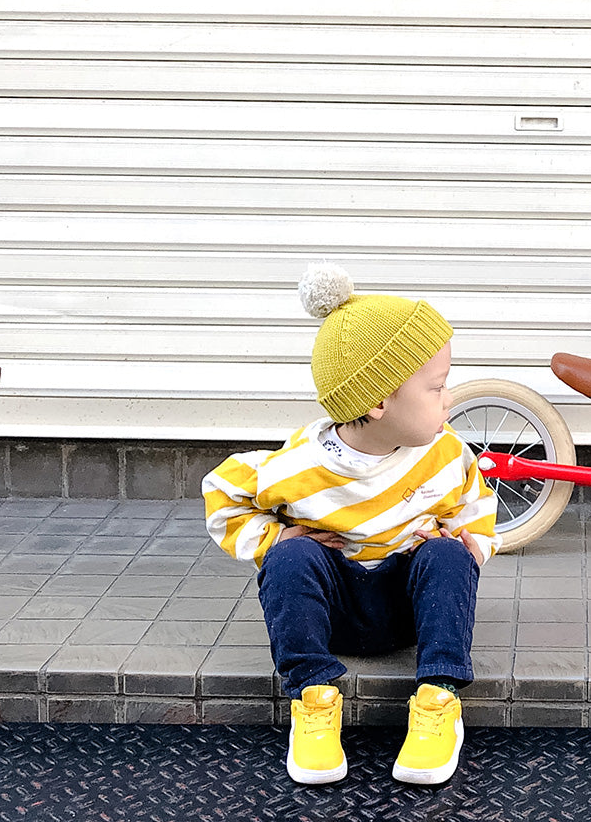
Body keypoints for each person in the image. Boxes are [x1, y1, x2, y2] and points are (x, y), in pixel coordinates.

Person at [201, 262, 498, 787]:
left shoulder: (446, 454)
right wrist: (274, 538)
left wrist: (471, 548)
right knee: (290, 557)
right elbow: (221, 492)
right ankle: (313, 699)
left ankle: (439, 699)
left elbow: (474, 507)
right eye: (437, 387)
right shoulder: (300, 466)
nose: (449, 399)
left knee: (448, 553)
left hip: (410, 609)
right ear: (378, 401)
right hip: (332, 612)